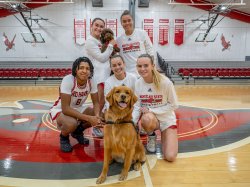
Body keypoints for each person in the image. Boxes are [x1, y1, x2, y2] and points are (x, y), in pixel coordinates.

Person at [49, 57, 104, 152]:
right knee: (72, 123)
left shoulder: (92, 81)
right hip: (61, 110)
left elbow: (96, 102)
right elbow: (65, 108)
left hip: (78, 108)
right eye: (81, 68)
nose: (84, 71)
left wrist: (97, 117)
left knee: (101, 115)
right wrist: (89, 118)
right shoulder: (68, 80)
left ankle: (78, 132)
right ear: (76, 69)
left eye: (87, 68)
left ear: (90, 71)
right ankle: (64, 137)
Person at [133, 54, 178, 162]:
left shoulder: (166, 82)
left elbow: (174, 105)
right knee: (147, 118)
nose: (142, 69)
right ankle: (151, 135)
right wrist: (132, 122)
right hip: (150, 120)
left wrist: (152, 110)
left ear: (152, 65)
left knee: (170, 157)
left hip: (166, 120)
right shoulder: (138, 83)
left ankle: (166, 135)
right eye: (139, 66)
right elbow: (137, 106)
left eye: (145, 65)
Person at [85, 17, 116, 137]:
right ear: (91, 26)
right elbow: (102, 58)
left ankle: (99, 124)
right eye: (96, 25)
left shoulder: (101, 42)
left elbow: (107, 56)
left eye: (101, 26)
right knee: (99, 104)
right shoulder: (90, 41)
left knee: (103, 104)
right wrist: (111, 46)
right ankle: (95, 127)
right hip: (97, 77)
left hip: (105, 76)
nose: (99, 28)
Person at [117, 10, 155, 77]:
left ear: (133, 21)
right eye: (124, 21)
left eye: (129, 20)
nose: (127, 23)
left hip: (143, 72)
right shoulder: (118, 40)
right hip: (128, 75)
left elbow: (150, 51)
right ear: (121, 23)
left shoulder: (142, 33)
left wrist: (152, 68)